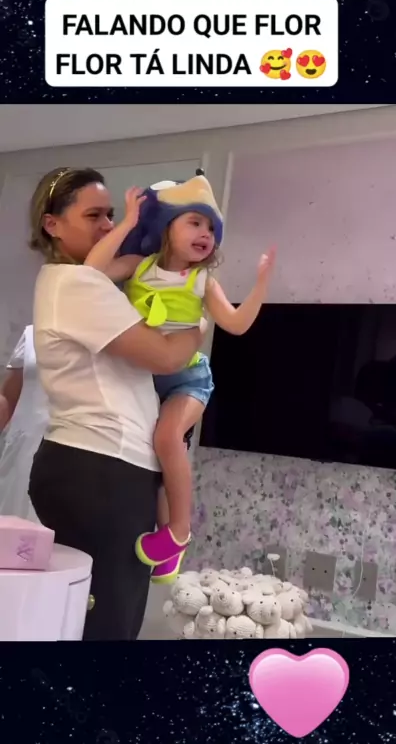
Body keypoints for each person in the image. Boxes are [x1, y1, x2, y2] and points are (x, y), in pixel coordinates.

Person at [28, 166, 206, 641]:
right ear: (52, 225)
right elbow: (165, 355)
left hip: (95, 466)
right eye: (94, 216)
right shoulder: (76, 283)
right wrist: (198, 323)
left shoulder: (84, 283)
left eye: (111, 214)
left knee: (93, 620)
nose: (109, 225)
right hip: (102, 469)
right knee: (109, 624)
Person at [84, 174, 275, 584]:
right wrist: (127, 222)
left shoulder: (202, 281)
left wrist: (260, 284)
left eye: (211, 228)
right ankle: (168, 551)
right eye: (194, 222)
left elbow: (237, 324)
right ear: (166, 226)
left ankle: (179, 531)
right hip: (143, 381)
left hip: (188, 380)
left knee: (167, 439)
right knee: (156, 459)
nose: (206, 233)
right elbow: (91, 271)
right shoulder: (138, 266)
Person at [0, 325, 48, 520]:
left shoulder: (114, 336)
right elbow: (8, 400)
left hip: (78, 454)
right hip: (23, 450)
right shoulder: (32, 333)